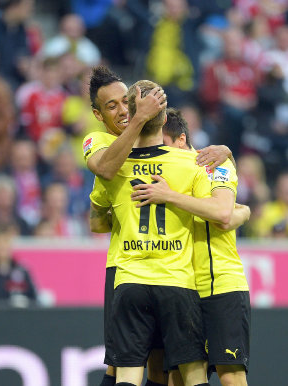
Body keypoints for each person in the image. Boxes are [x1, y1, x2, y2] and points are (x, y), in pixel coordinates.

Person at [97, 80, 224, 386]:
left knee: (126, 373)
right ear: (166, 119)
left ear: (130, 113)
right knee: (193, 374)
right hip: (176, 281)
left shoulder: (114, 165)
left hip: (130, 280)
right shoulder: (191, 164)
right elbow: (217, 212)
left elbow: (98, 215)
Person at [133, 108, 251, 386]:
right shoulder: (159, 175)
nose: (157, 153)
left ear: (181, 140)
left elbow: (223, 215)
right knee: (176, 377)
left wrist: (170, 196)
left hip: (220, 284)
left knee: (231, 376)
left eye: (163, 145)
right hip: (179, 288)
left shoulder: (217, 164)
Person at [82, 66, 168, 386]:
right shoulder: (99, 140)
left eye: (125, 101)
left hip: (168, 264)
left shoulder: (153, 135)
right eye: (111, 106)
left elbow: (98, 219)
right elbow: (105, 170)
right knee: (121, 364)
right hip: (125, 268)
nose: (121, 110)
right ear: (97, 114)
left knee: (160, 362)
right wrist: (137, 121)